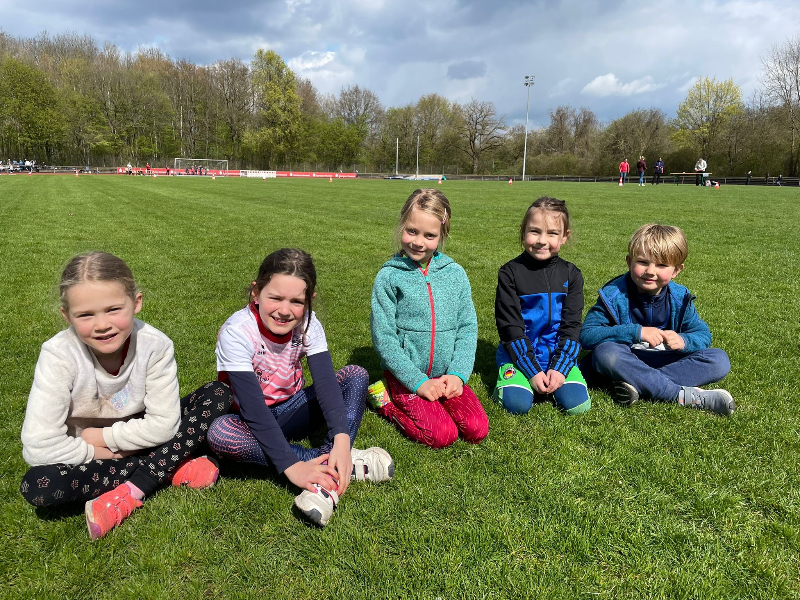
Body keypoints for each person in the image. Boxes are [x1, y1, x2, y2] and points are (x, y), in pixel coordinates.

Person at [20, 252, 231, 540]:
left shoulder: (155, 345)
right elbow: (38, 446)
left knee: (218, 394)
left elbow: (163, 426)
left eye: (113, 309)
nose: (102, 324)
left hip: (141, 436)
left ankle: (134, 487)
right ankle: (170, 465)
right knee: (39, 484)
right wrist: (104, 452)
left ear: (137, 302)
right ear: (67, 316)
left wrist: (101, 437)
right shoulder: (58, 355)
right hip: (93, 454)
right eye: (85, 315)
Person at [207, 249, 393, 527]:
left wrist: (342, 439)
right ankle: (333, 467)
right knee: (221, 432)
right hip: (248, 422)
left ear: (309, 300)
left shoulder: (308, 323)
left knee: (355, 375)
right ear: (256, 292)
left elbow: (327, 385)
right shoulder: (237, 331)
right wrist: (293, 467)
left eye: (296, 301)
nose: (284, 310)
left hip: (292, 411)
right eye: (275, 298)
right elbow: (254, 410)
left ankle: (335, 459)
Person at [368, 188, 488, 449]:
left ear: (442, 234)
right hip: (406, 376)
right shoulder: (389, 277)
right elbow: (384, 338)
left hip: (446, 376)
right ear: (402, 224)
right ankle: (386, 401)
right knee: (442, 435)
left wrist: (457, 375)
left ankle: (442, 390)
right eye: (412, 231)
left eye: (429, 235)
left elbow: (467, 328)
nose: (418, 242)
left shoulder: (455, 274)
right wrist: (417, 382)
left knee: (476, 429)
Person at [579, 224, 734, 416]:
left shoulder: (680, 298)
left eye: (661, 265)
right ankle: (680, 395)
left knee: (719, 360)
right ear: (629, 262)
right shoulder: (613, 295)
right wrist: (636, 332)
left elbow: (702, 334)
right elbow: (587, 335)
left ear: (676, 270)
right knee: (606, 353)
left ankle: (637, 384)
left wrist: (684, 340)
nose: (650, 271)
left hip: (666, 361)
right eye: (642, 262)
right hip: (625, 359)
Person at [493, 197, 590, 416]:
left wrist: (561, 368)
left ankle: (558, 375)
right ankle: (514, 379)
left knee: (578, 406)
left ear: (564, 237)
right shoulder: (510, 273)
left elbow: (572, 326)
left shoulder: (572, 275)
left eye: (552, 233)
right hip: (518, 356)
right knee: (517, 404)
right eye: (534, 231)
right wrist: (532, 371)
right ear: (523, 231)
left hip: (557, 355)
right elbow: (510, 328)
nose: (542, 241)